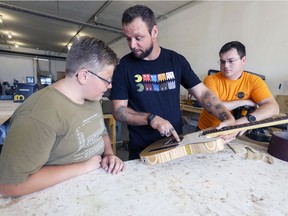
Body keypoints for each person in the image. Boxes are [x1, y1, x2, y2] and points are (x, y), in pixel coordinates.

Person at [0, 36, 125, 197]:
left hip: (93, 190)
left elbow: (100, 132)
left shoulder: (93, 98)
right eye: (107, 80)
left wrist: (108, 154)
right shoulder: (38, 115)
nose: (110, 85)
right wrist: (84, 167)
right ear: (84, 76)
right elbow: (9, 186)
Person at [110, 5, 236, 160]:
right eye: (128, 38)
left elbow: (203, 94)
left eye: (138, 38)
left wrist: (228, 118)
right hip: (142, 153)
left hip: (176, 145)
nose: (132, 45)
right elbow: (118, 110)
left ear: (154, 32)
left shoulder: (176, 61)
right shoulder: (124, 67)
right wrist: (151, 119)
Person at [198, 41, 279, 130]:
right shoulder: (211, 80)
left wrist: (241, 122)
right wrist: (244, 102)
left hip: (236, 130)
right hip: (208, 130)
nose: (226, 66)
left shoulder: (255, 81)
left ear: (243, 60)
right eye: (222, 61)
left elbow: (274, 108)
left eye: (231, 61)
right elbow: (217, 107)